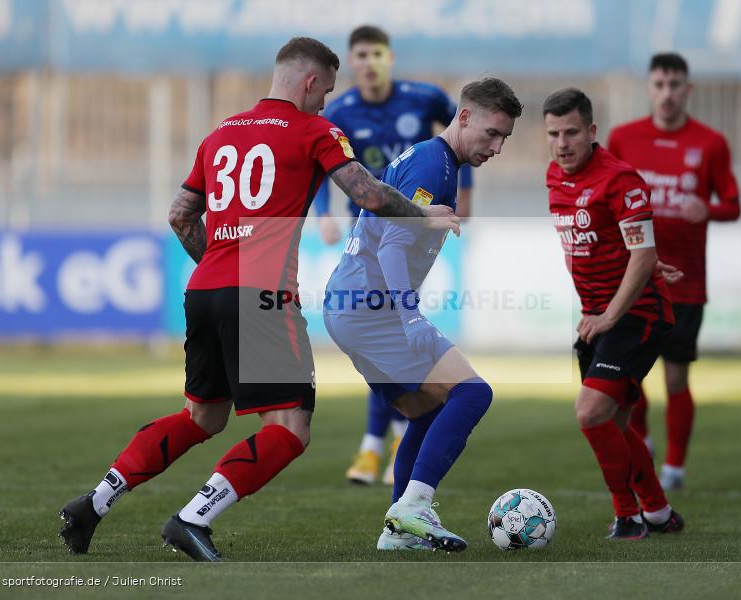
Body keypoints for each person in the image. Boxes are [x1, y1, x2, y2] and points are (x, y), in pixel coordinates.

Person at [57, 36, 459, 562]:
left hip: (205, 290)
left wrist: (220, 269)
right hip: (263, 294)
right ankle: (192, 519)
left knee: (201, 418)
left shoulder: (220, 133)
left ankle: (93, 503)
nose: (325, 102)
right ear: (311, 81)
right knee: (290, 427)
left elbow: (180, 213)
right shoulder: (316, 129)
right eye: (325, 91)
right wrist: (423, 213)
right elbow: (369, 193)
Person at [323, 77, 521, 551]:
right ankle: (413, 508)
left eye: (505, 139)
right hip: (374, 308)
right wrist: (408, 315)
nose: (496, 148)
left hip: (346, 306)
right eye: (491, 133)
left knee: (428, 411)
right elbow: (393, 245)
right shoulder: (433, 165)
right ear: (465, 116)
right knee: (473, 394)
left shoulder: (431, 158)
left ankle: (398, 533)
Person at [313, 25, 474, 486]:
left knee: (387, 340)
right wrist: (322, 212)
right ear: (353, 60)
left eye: (376, 53)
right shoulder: (340, 110)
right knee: (390, 330)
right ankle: (375, 450)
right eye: (359, 55)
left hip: (416, 218)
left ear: (389, 57)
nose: (368, 62)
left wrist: (465, 192)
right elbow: (323, 166)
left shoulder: (423, 99)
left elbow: (464, 140)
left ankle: (382, 453)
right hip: (374, 230)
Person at [545, 87, 684, 539]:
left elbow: (642, 255)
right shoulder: (553, 175)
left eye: (571, 132)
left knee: (590, 413)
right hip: (597, 316)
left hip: (637, 315)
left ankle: (628, 516)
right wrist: (635, 263)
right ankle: (659, 513)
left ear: (592, 131)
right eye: (553, 134)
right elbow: (618, 248)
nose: (562, 143)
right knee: (615, 425)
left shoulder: (621, 180)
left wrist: (611, 312)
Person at [607, 53, 741, 490]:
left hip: (685, 283)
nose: (667, 93)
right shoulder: (624, 138)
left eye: (675, 85)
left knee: (677, 375)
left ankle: (675, 468)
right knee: (631, 374)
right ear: (650, 88)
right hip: (635, 279)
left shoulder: (711, 143)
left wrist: (709, 209)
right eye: (660, 84)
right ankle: (642, 445)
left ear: (688, 90)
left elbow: (733, 204)